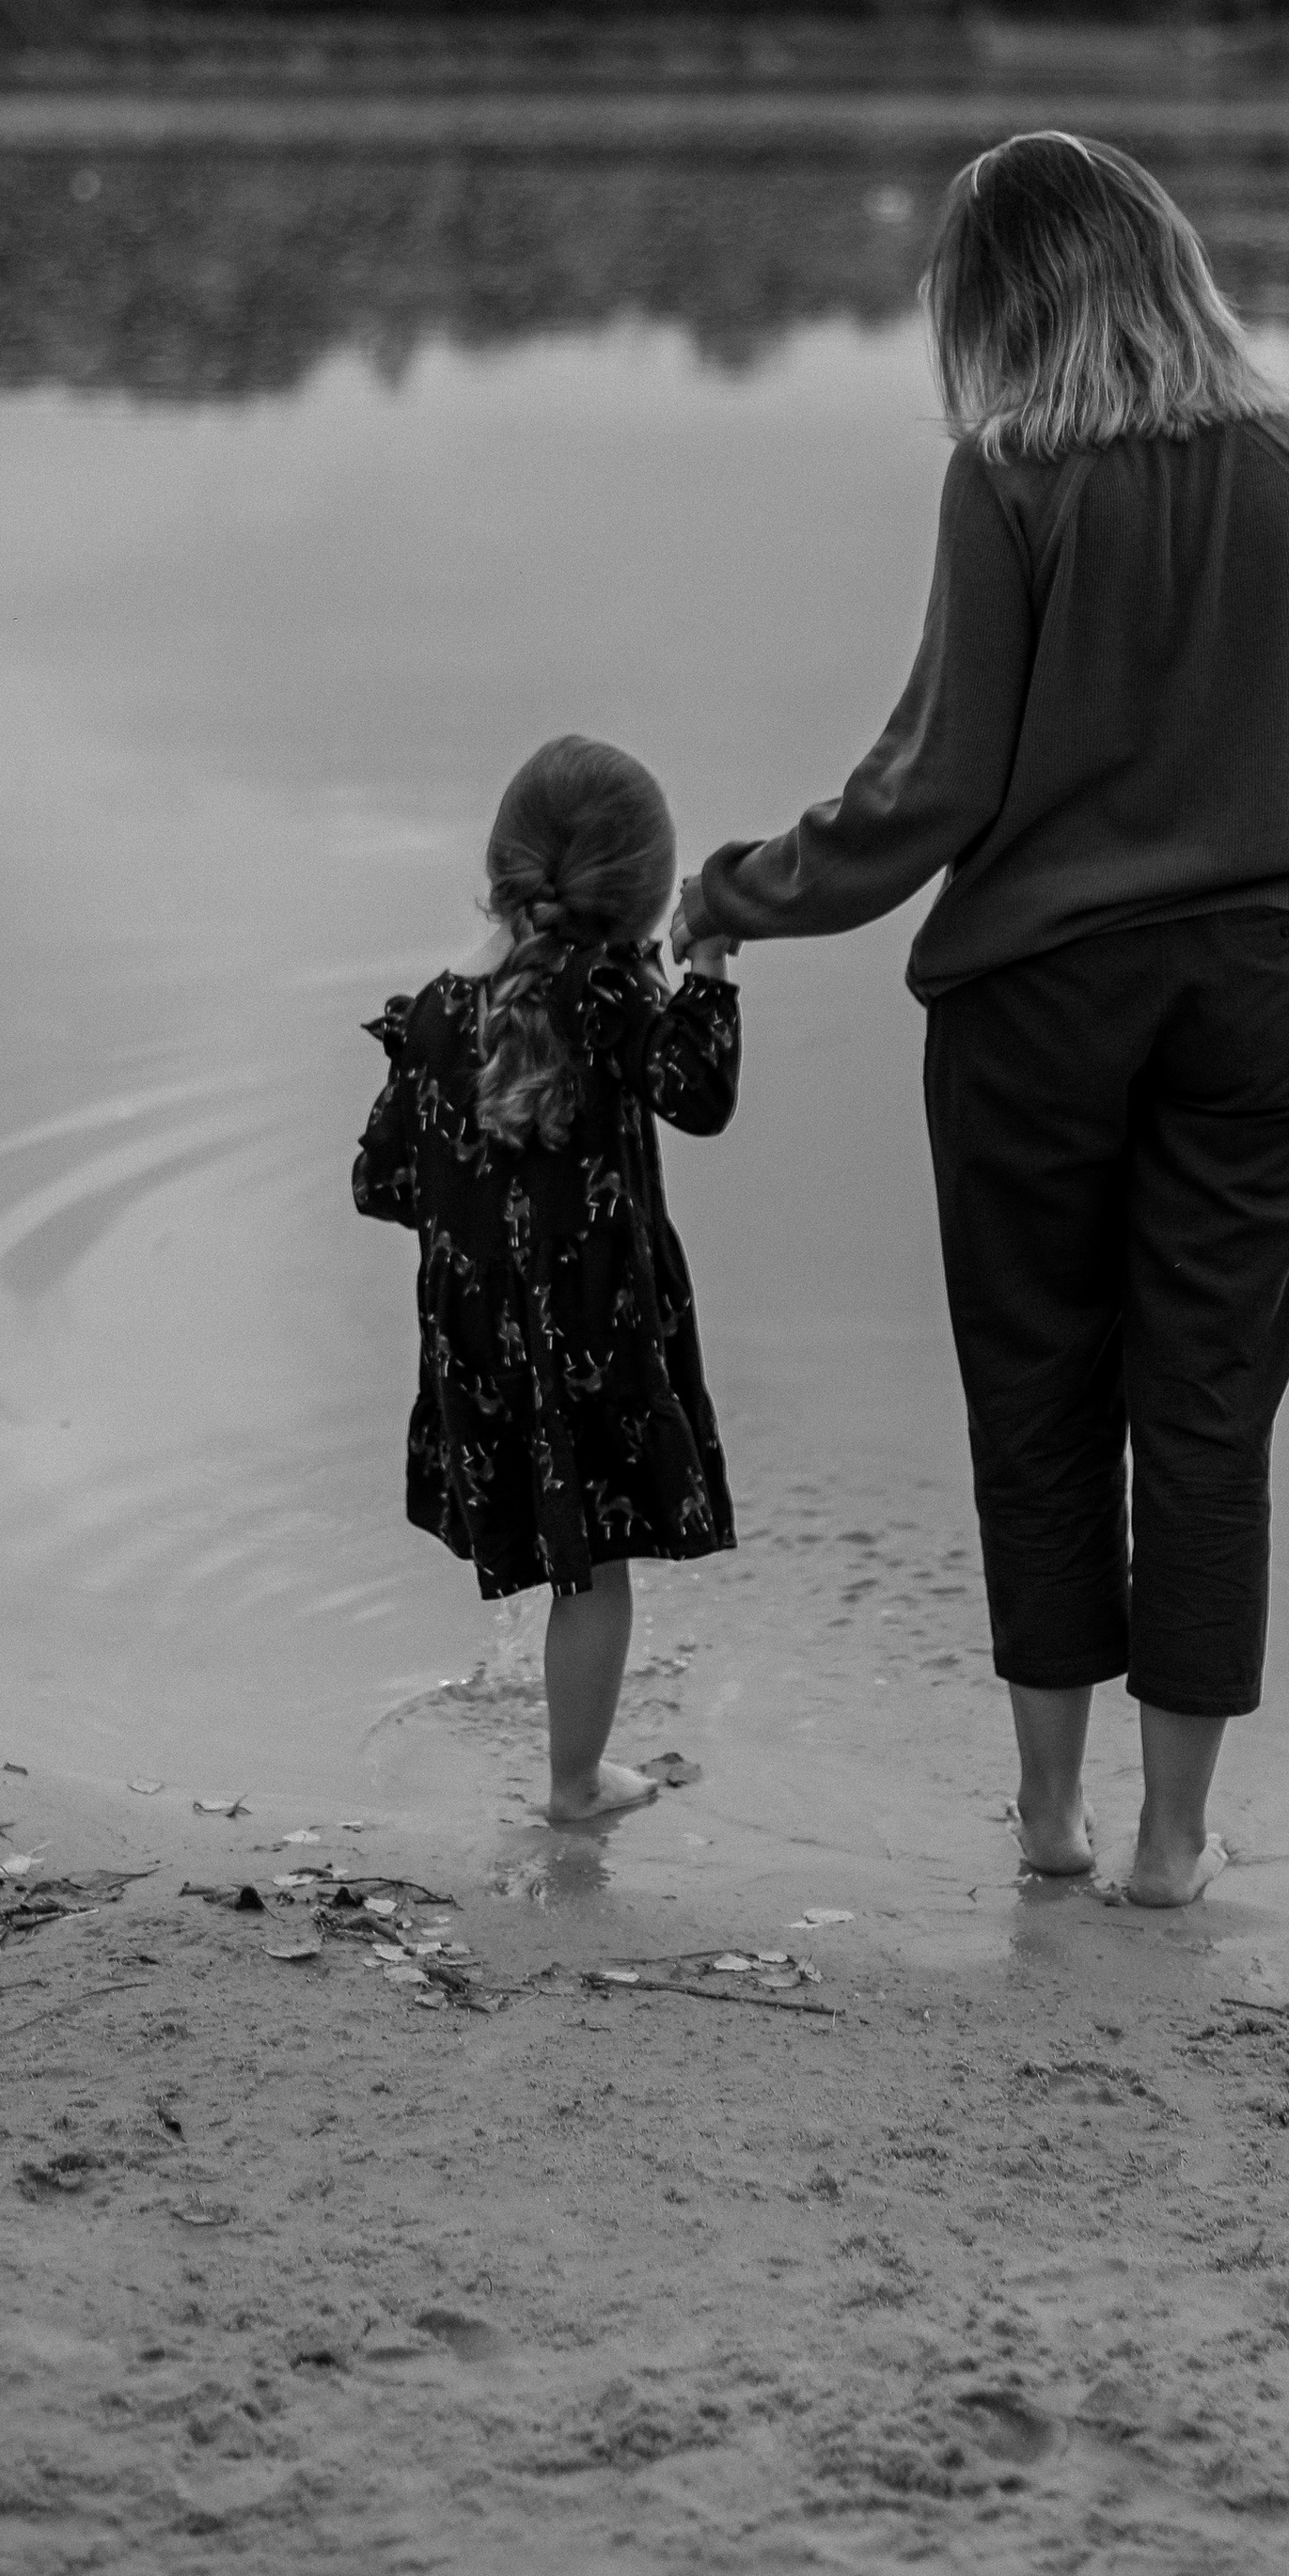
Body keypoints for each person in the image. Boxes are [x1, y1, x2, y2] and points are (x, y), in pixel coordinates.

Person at [672, 134, 1289, 1908]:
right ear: (1168, 261)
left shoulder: (1008, 478)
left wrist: (734, 893)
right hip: (1262, 1010)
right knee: (1205, 1417)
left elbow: (931, 789)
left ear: (1002, 305)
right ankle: (1176, 1848)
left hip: (1033, 1015)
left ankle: (1049, 1823)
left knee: (1038, 1400)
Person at [354, 734, 741, 1827]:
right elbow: (698, 1094)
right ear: (636, 899)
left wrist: (480, 1206)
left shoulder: (429, 1014)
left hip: (480, 1343)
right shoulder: (607, 995)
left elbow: (379, 1184)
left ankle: (561, 1759)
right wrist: (708, 959)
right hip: (594, 1329)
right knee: (595, 1569)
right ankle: (576, 1783)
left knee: (557, 1555)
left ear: (503, 860)